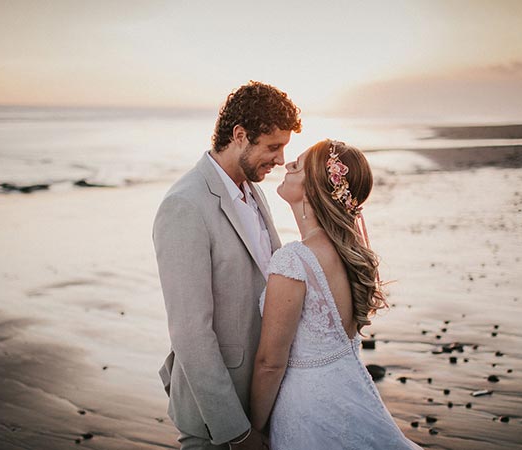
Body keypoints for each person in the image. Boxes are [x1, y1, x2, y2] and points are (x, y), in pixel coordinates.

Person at [153, 81, 302, 449]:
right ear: (239, 135)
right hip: (216, 419)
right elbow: (190, 332)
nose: (281, 159)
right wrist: (235, 430)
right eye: (273, 147)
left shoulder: (253, 191)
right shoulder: (185, 206)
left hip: (258, 398)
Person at [249, 139, 422, 449]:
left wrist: (252, 429)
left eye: (297, 165)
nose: (286, 165)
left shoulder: (294, 260)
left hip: (308, 411)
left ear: (313, 188)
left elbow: (270, 363)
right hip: (351, 392)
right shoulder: (350, 253)